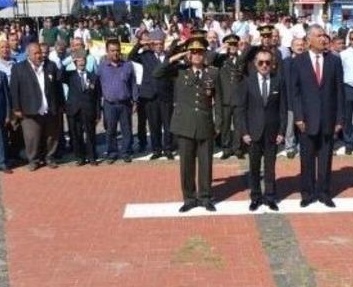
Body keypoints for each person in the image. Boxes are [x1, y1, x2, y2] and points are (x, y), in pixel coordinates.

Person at [153, 38, 220, 213]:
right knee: (186, 165)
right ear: (189, 55)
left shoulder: (212, 73)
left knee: (206, 163)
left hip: (205, 123)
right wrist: (176, 56)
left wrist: (218, 123)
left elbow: (218, 100)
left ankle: (205, 197)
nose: (196, 55)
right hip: (184, 125)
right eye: (193, 52)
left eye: (200, 52)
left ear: (205, 54)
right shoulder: (179, 72)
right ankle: (189, 198)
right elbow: (157, 73)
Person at [290, 24, 345, 208]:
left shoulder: (334, 61)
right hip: (306, 120)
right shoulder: (298, 61)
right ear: (309, 40)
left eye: (325, 35)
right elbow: (294, 93)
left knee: (325, 158)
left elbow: (339, 92)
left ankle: (324, 192)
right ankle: (307, 193)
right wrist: (298, 117)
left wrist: (339, 119)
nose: (324, 39)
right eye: (319, 35)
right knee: (306, 159)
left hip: (329, 119)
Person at [236, 48, 287, 211]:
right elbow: (241, 110)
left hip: (272, 132)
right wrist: (244, 132)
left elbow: (283, 109)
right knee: (254, 167)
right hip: (253, 132)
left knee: (270, 167)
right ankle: (256, 197)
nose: (264, 65)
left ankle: (270, 196)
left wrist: (281, 131)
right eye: (261, 62)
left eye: (268, 62)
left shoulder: (278, 81)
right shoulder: (247, 82)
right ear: (255, 64)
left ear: (272, 64)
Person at [10, 43, 64, 171]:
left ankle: (49, 157)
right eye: (36, 53)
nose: (39, 55)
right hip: (29, 109)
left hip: (49, 108)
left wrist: (61, 104)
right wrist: (16, 108)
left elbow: (58, 87)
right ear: (28, 54)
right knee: (32, 137)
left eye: (40, 52)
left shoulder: (50, 66)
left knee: (51, 135)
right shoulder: (18, 68)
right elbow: (14, 89)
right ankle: (33, 160)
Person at [97, 40, 138, 163]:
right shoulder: (102, 67)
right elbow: (98, 87)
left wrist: (135, 101)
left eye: (117, 50)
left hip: (125, 103)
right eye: (112, 50)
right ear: (107, 52)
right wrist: (98, 105)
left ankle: (126, 152)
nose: (115, 53)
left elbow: (133, 84)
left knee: (127, 130)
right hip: (109, 104)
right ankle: (112, 153)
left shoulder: (128, 65)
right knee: (110, 130)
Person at [62, 52, 101, 165]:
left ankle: (92, 157)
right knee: (76, 135)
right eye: (79, 60)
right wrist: (69, 59)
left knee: (91, 135)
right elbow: (59, 73)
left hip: (89, 110)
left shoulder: (93, 76)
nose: (81, 62)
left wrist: (98, 114)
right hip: (74, 110)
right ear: (75, 63)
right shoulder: (70, 75)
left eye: (83, 60)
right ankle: (80, 157)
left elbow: (97, 97)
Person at [214, 34, 244, 159]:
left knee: (238, 126)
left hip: (238, 98)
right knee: (225, 125)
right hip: (225, 98)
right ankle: (226, 148)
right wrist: (222, 48)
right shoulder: (221, 60)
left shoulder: (241, 59)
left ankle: (237, 148)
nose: (232, 47)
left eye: (234, 44)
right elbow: (210, 58)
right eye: (230, 44)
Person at [281, 37, 306, 159]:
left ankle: (303, 147)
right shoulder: (287, 62)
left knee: (303, 126)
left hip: (305, 100)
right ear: (292, 47)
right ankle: (290, 147)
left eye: (302, 44)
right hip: (290, 99)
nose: (300, 47)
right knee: (290, 126)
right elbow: (285, 82)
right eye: (297, 45)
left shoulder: (307, 61)